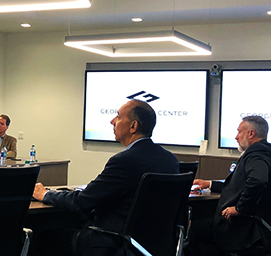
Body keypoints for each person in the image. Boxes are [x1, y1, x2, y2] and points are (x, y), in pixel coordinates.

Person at [32, 100, 179, 256]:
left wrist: (46, 194)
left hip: (113, 243)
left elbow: (82, 202)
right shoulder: (170, 160)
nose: (112, 121)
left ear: (133, 126)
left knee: (44, 238)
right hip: (152, 245)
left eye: (118, 116)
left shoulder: (124, 161)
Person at [185, 116, 271, 255]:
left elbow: (258, 180)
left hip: (241, 228)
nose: (236, 137)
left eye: (239, 132)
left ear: (251, 133)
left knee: (191, 229)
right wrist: (210, 184)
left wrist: (239, 208)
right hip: (263, 227)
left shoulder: (256, 153)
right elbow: (241, 185)